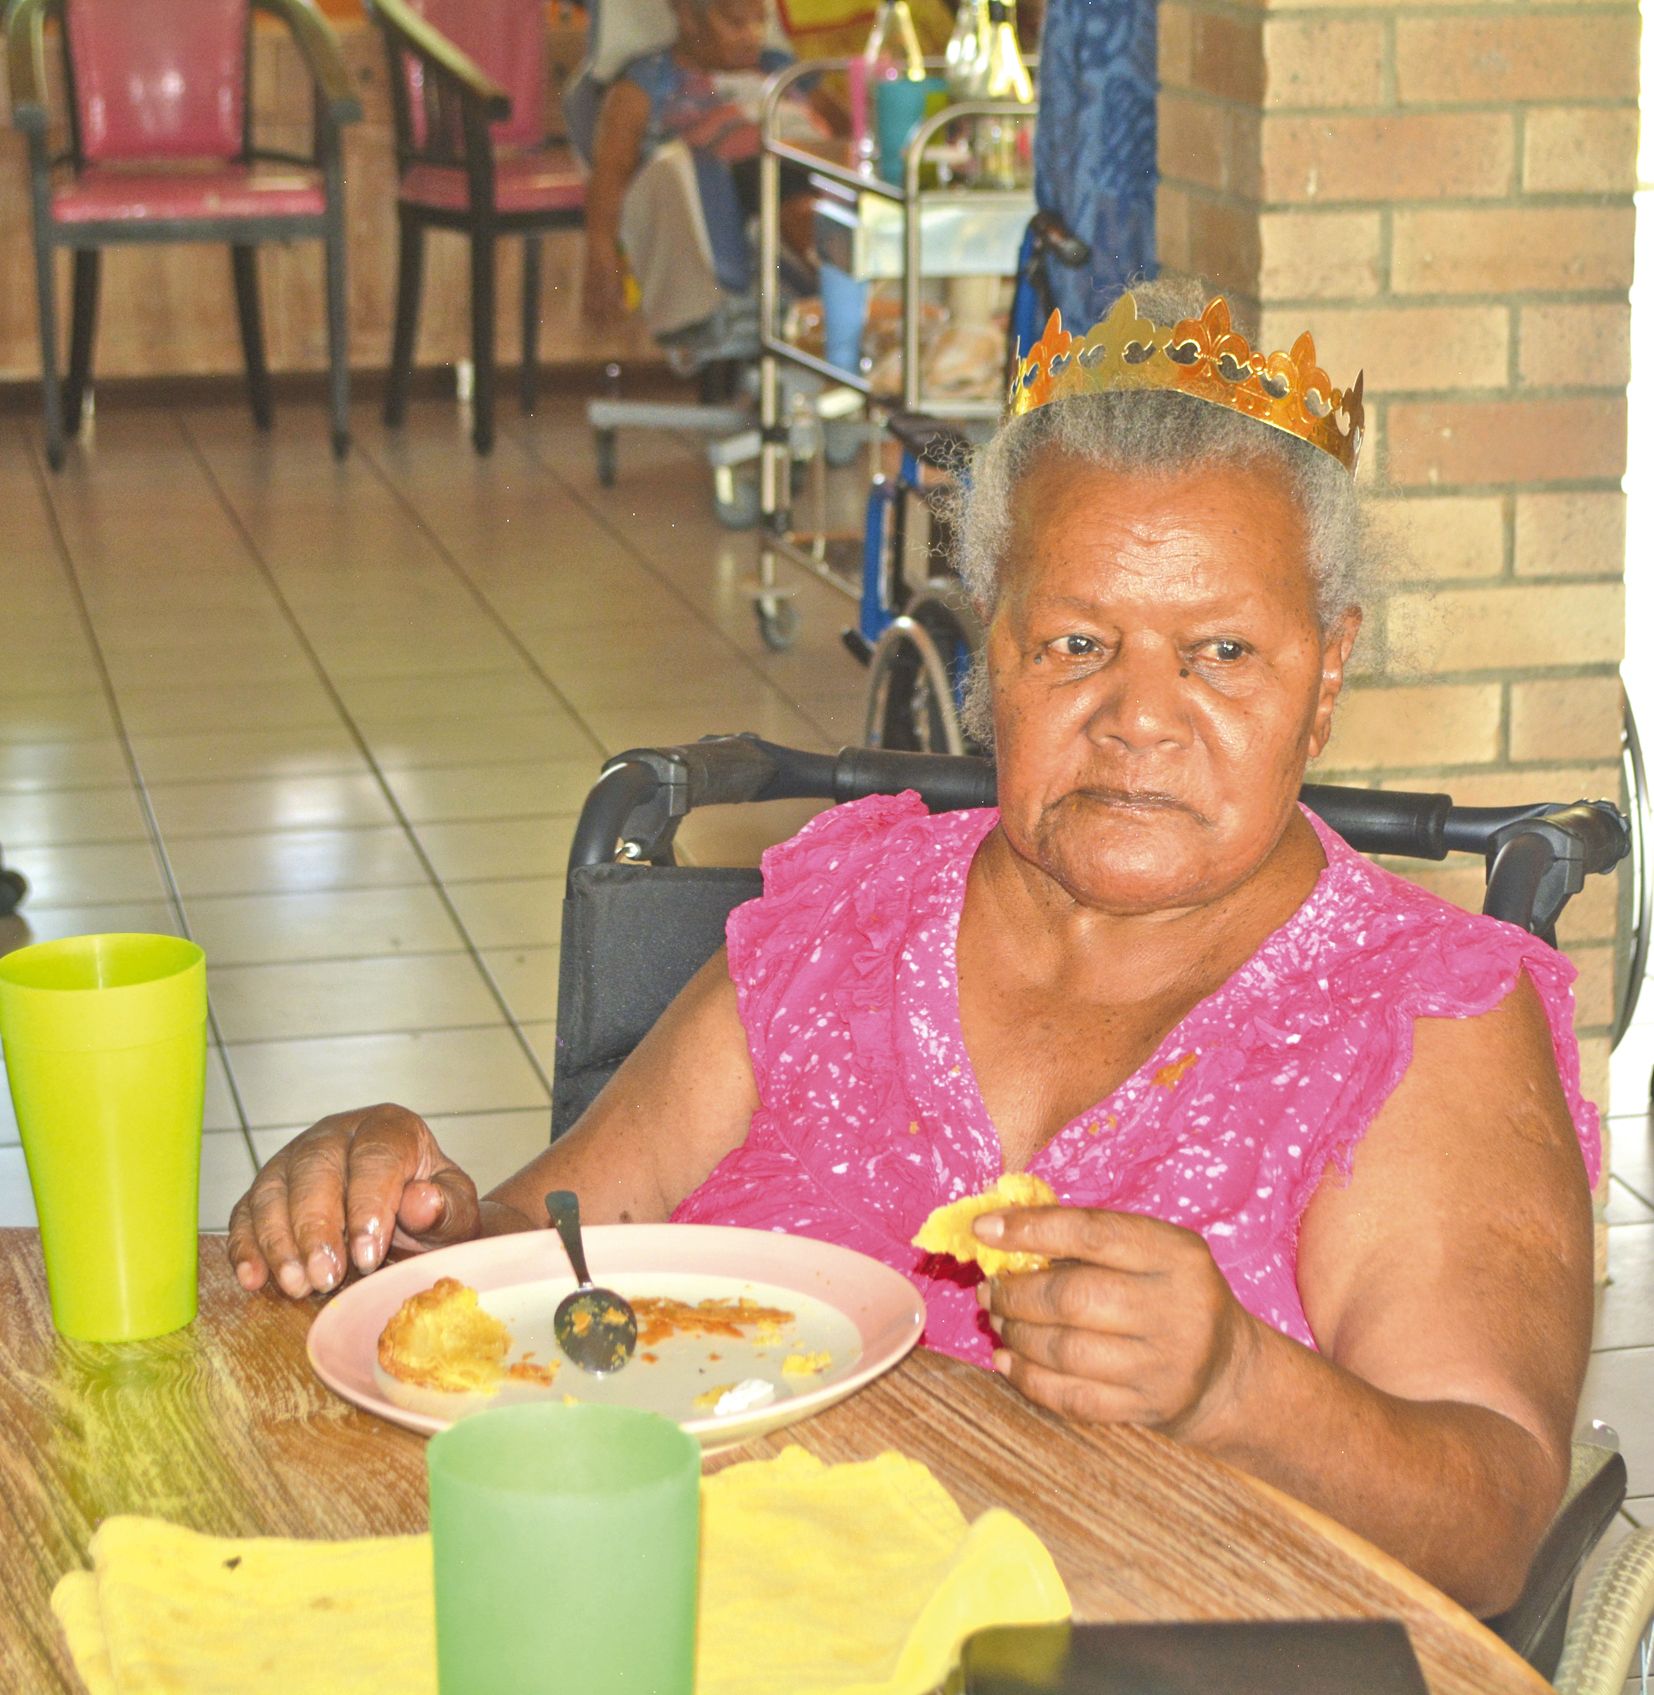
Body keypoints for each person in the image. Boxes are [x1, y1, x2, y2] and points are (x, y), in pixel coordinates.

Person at [229, 279, 1598, 1617]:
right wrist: (407, 1222)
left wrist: (1235, 1382)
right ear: (988, 650)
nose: (1137, 714)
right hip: (688, 1621)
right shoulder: (851, 908)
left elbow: (1487, 1516)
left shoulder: (1422, 1014)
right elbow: (562, 1240)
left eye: (1222, 651)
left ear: (1329, 670)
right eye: (1073, 641)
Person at [582, 0, 825, 324]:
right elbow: (611, 171)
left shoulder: (784, 72)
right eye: (736, 23)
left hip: (808, 181)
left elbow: (844, 133)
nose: (751, 36)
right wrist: (601, 251)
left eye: (760, 22)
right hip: (715, 211)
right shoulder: (644, 86)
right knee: (795, 205)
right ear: (687, 16)